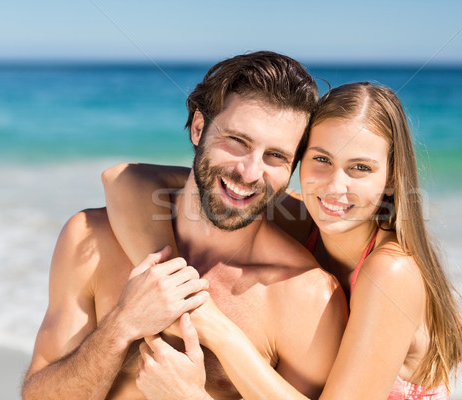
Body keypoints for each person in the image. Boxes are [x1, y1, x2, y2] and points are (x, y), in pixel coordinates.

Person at [102, 82, 462, 399]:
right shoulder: (304, 219)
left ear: (391, 178)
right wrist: (169, 285)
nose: (335, 186)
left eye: (360, 168)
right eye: (321, 159)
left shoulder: (391, 271)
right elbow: (124, 179)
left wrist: (210, 325)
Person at [21, 51, 348, 400]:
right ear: (198, 128)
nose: (250, 173)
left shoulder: (308, 298)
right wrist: (121, 326)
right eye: (237, 141)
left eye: (276, 156)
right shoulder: (91, 238)